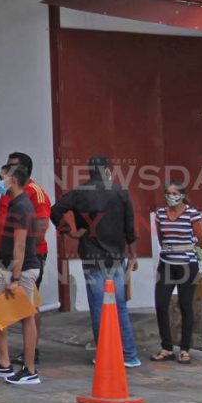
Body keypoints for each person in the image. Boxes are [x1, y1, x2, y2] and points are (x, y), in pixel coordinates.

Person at [50, 155, 141, 367]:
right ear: (108, 171)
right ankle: (129, 355)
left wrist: (70, 231)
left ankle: (107, 354)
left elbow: (55, 210)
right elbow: (130, 228)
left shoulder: (80, 193)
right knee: (119, 307)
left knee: (99, 307)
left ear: (89, 172)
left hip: (92, 256)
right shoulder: (121, 192)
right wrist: (134, 254)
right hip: (117, 258)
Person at [0, 152, 51, 363]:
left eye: (10, 167)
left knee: (27, 306)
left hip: (26, 257)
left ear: (20, 173)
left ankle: (31, 353)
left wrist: (19, 263)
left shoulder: (33, 194)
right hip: (3, 255)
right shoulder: (10, 195)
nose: (4, 172)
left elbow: (37, 229)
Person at [0, 165, 43, 385]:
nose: (0, 181)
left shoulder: (22, 207)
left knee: (26, 317)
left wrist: (15, 279)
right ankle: (4, 362)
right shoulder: (16, 204)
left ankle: (30, 369)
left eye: (2, 177)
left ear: (13, 179)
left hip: (21, 271)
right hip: (9, 268)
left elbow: (20, 245)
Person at [152, 182, 202, 364]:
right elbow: (161, 238)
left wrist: (187, 249)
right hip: (166, 264)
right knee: (160, 304)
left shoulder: (192, 214)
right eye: (168, 193)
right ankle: (167, 347)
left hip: (187, 265)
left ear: (183, 194)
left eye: (175, 193)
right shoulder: (160, 214)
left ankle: (184, 349)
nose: (171, 196)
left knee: (185, 306)